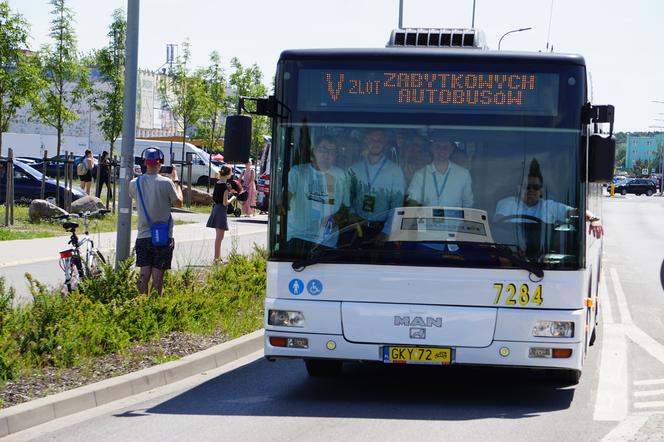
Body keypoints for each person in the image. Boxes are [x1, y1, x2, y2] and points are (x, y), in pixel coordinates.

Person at [494, 158, 604, 238]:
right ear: (519, 189)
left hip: (542, 256)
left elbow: (575, 212)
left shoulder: (549, 206)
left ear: (541, 191)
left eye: (536, 187)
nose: (531, 190)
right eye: (527, 187)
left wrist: (593, 219)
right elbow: (498, 229)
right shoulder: (507, 204)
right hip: (509, 252)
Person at [129, 147, 184, 296]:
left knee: (144, 273)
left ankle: (140, 304)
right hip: (163, 235)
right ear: (160, 163)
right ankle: (154, 307)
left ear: (145, 163)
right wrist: (176, 181)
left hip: (143, 235)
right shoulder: (166, 183)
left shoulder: (134, 183)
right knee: (158, 276)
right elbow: (179, 203)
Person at [287, 136, 348, 248]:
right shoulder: (298, 172)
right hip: (298, 237)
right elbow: (285, 198)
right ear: (314, 151)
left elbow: (345, 207)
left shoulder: (341, 176)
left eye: (331, 151)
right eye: (323, 149)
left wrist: (337, 217)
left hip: (327, 241)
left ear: (336, 156)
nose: (326, 154)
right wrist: (281, 204)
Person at [347, 128, 406, 240]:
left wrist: (387, 231)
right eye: (372, 140)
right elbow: (349, 198)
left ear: (385, 143)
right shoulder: (354, 169)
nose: (376, 143)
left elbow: (397, 205)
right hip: (357, 226)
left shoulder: (395, 170)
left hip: (381, 228)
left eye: (379, 140)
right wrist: (352, 217)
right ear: (366, 141)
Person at [407, 133, 473, 208]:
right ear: (431, 149)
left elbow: (468, 205)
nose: (441, 150)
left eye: (446, 147)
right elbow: (411, 204)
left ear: (451, 149)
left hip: (453, 220)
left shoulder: (463, 174)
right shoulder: (420, 175)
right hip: (428, 219)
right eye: (437, 146)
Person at [207, 165, 236, 262]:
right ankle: (216, 258)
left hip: (216, 208)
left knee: (219, 236)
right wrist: (233, 198)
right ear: (228, 174)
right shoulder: (225, 186)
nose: (231, 174)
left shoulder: (218, 183)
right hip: (221, 210)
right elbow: (225, 202)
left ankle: (218, 257)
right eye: (231, 172)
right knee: (220, 237)